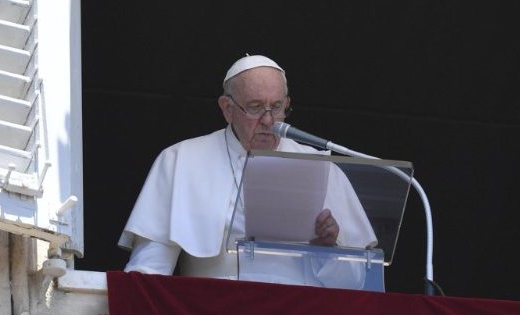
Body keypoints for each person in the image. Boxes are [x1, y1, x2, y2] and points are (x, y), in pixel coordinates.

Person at [118, 55, 376, 287]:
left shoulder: (320, 167)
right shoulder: (181, 159)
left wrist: (328, 250)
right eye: (254, 107)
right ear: (227, 109)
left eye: (276, 107)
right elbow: (150, 269)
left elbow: (356, 282)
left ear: (287, 104)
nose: (267, 120)